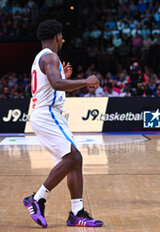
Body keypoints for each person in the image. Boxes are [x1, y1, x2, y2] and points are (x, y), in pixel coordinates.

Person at [23, 20, 103, 228]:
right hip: (47, 114)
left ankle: (76, 213)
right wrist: (86, 81)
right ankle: (37, 199)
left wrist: (63, 78)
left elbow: (54, 84)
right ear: (58, 37)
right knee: (74, 157)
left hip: (46, 114)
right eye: (62, 37)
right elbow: (56, 83)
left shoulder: (43, 57)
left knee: (74, 161)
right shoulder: (50, 56)